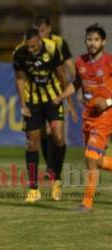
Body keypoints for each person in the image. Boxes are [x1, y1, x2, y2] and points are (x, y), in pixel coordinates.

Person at [54, 24, 112, 212]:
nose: (92, 43)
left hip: (105, 116)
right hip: (89, 116)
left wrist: (109, 102)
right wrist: (62, 96)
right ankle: (87, 204)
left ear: (103, 42)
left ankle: (86, 204)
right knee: (96, 160)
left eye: (96, 40)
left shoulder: (109, 62)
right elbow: (77, 83)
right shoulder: (80, 62)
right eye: (89, 39)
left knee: (90, 156)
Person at [12, 28, 72, 203]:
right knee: (32, 142)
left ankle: (57, 180)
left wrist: (68, 101)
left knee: (58, 137)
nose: (30, 50)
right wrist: (23, 104)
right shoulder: (19, 52)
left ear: (39, 40)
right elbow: (20, 79)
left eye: (33, 46)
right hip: (33, 101)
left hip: (53, 98)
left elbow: (62, 76)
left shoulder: (52, 48)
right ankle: (33, 189)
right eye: (27, 47)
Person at [33, 15, 78, 178]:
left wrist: (76, 83)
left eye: (42, 30)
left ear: (49, 29)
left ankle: (54, 168)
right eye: (37, 31)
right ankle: (50, 168)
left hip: (55, 94)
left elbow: (69, 65)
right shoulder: (32, 45)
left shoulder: (58, 43)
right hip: (37, 96)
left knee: (57, 134)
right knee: (43, 132)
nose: (40, 34)